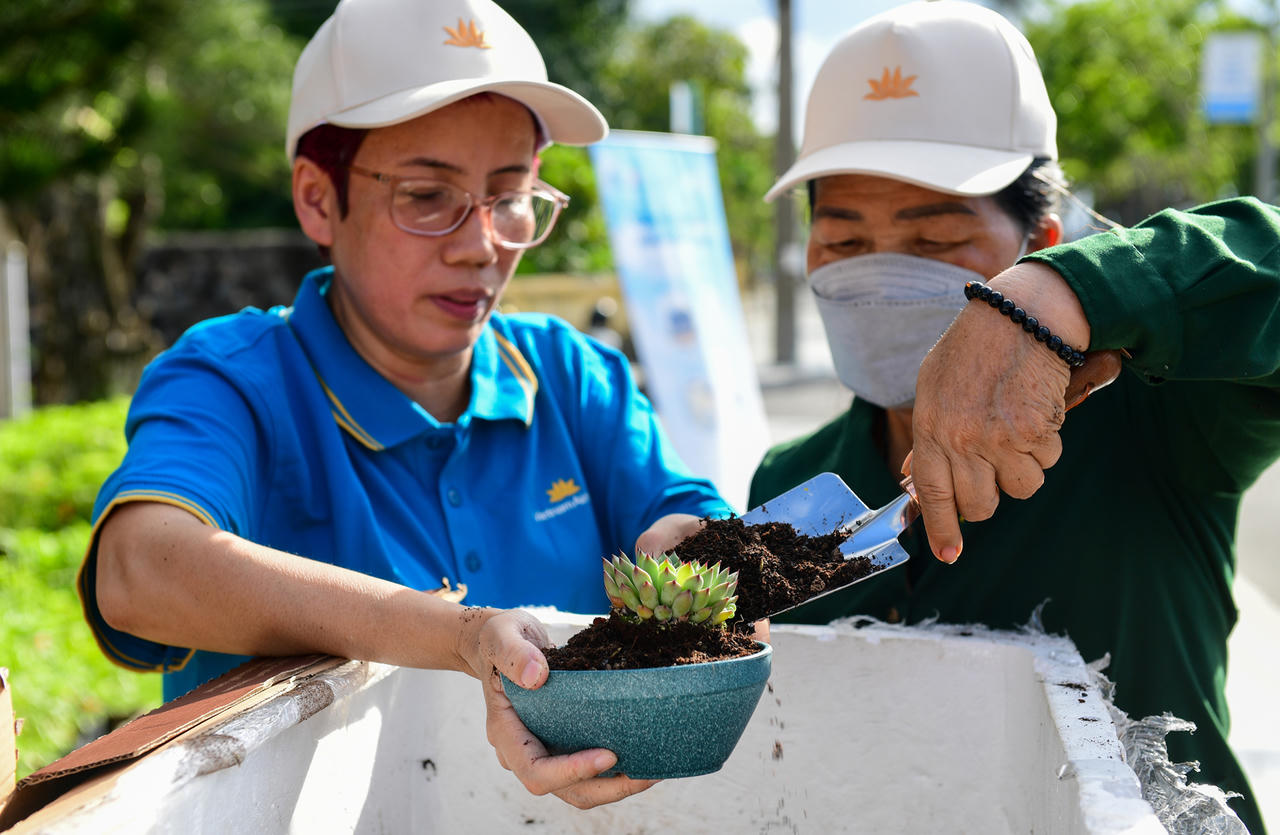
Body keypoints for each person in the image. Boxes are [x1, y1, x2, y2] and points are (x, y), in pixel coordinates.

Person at [79, 0, 729, 809]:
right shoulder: (236, 381)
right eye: (427, 195)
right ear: (318, 199)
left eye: (510, 196)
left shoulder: (572, 373)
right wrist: (461, 636)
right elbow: (139, 569)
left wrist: (697, 550)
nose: (481, 245)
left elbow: (682, 513)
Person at [749, 2, 1278, 831]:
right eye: (844, 243)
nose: (880, 273)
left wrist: (1064, 297)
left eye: (935, 241)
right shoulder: (792, 481)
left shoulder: (1162, 417)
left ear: (1041, 243)